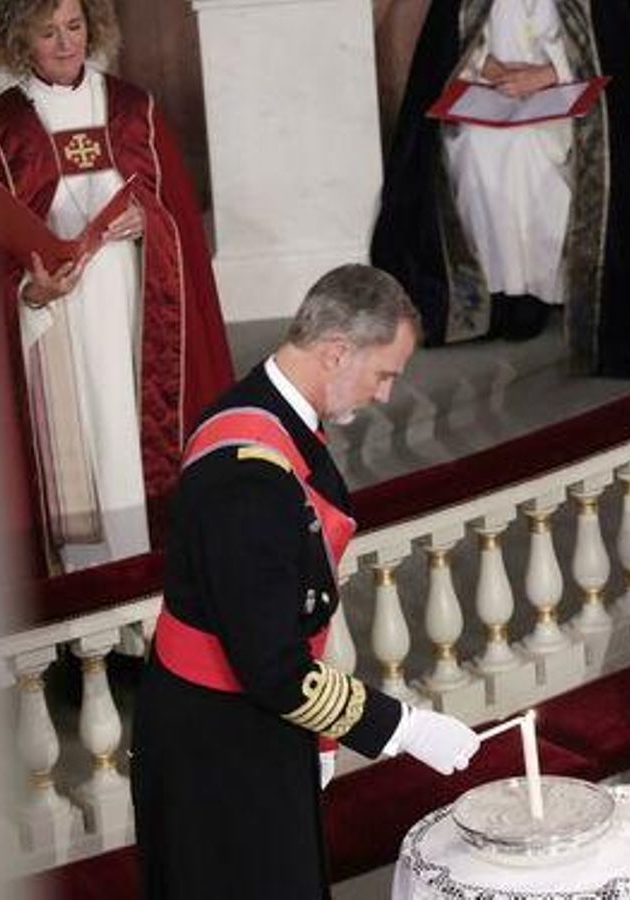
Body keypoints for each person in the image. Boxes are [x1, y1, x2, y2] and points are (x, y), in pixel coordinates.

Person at [130, 265, 481, 898]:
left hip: (255, 720)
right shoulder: (248, 476)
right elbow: (273, 669)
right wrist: (403, 728)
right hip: (218, 744)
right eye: (384, 374)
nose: (384, 395)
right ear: (337, 351)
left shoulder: (269, 415)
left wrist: (318, 737)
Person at [0, 0, 234, 578]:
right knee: (81, 455)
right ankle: (90, 606)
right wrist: (29, 294)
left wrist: (149, 224)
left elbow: (179, 221)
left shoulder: (135, 110)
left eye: (74, 26)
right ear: (19, 40)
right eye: (46, 31)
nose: (65, 44)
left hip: (134, 315)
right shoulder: (1, 128)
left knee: (131, 454)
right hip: (57, 329)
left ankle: (156, 596)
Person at [369, 0, 630, 377]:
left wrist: (549, 73)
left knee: (530, 155)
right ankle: (504, 296)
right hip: (492, 96)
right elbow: (451, 42)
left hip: (573, 100)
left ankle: (552, 293)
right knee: (478, 151)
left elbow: (614, 47)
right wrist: (488, 67)